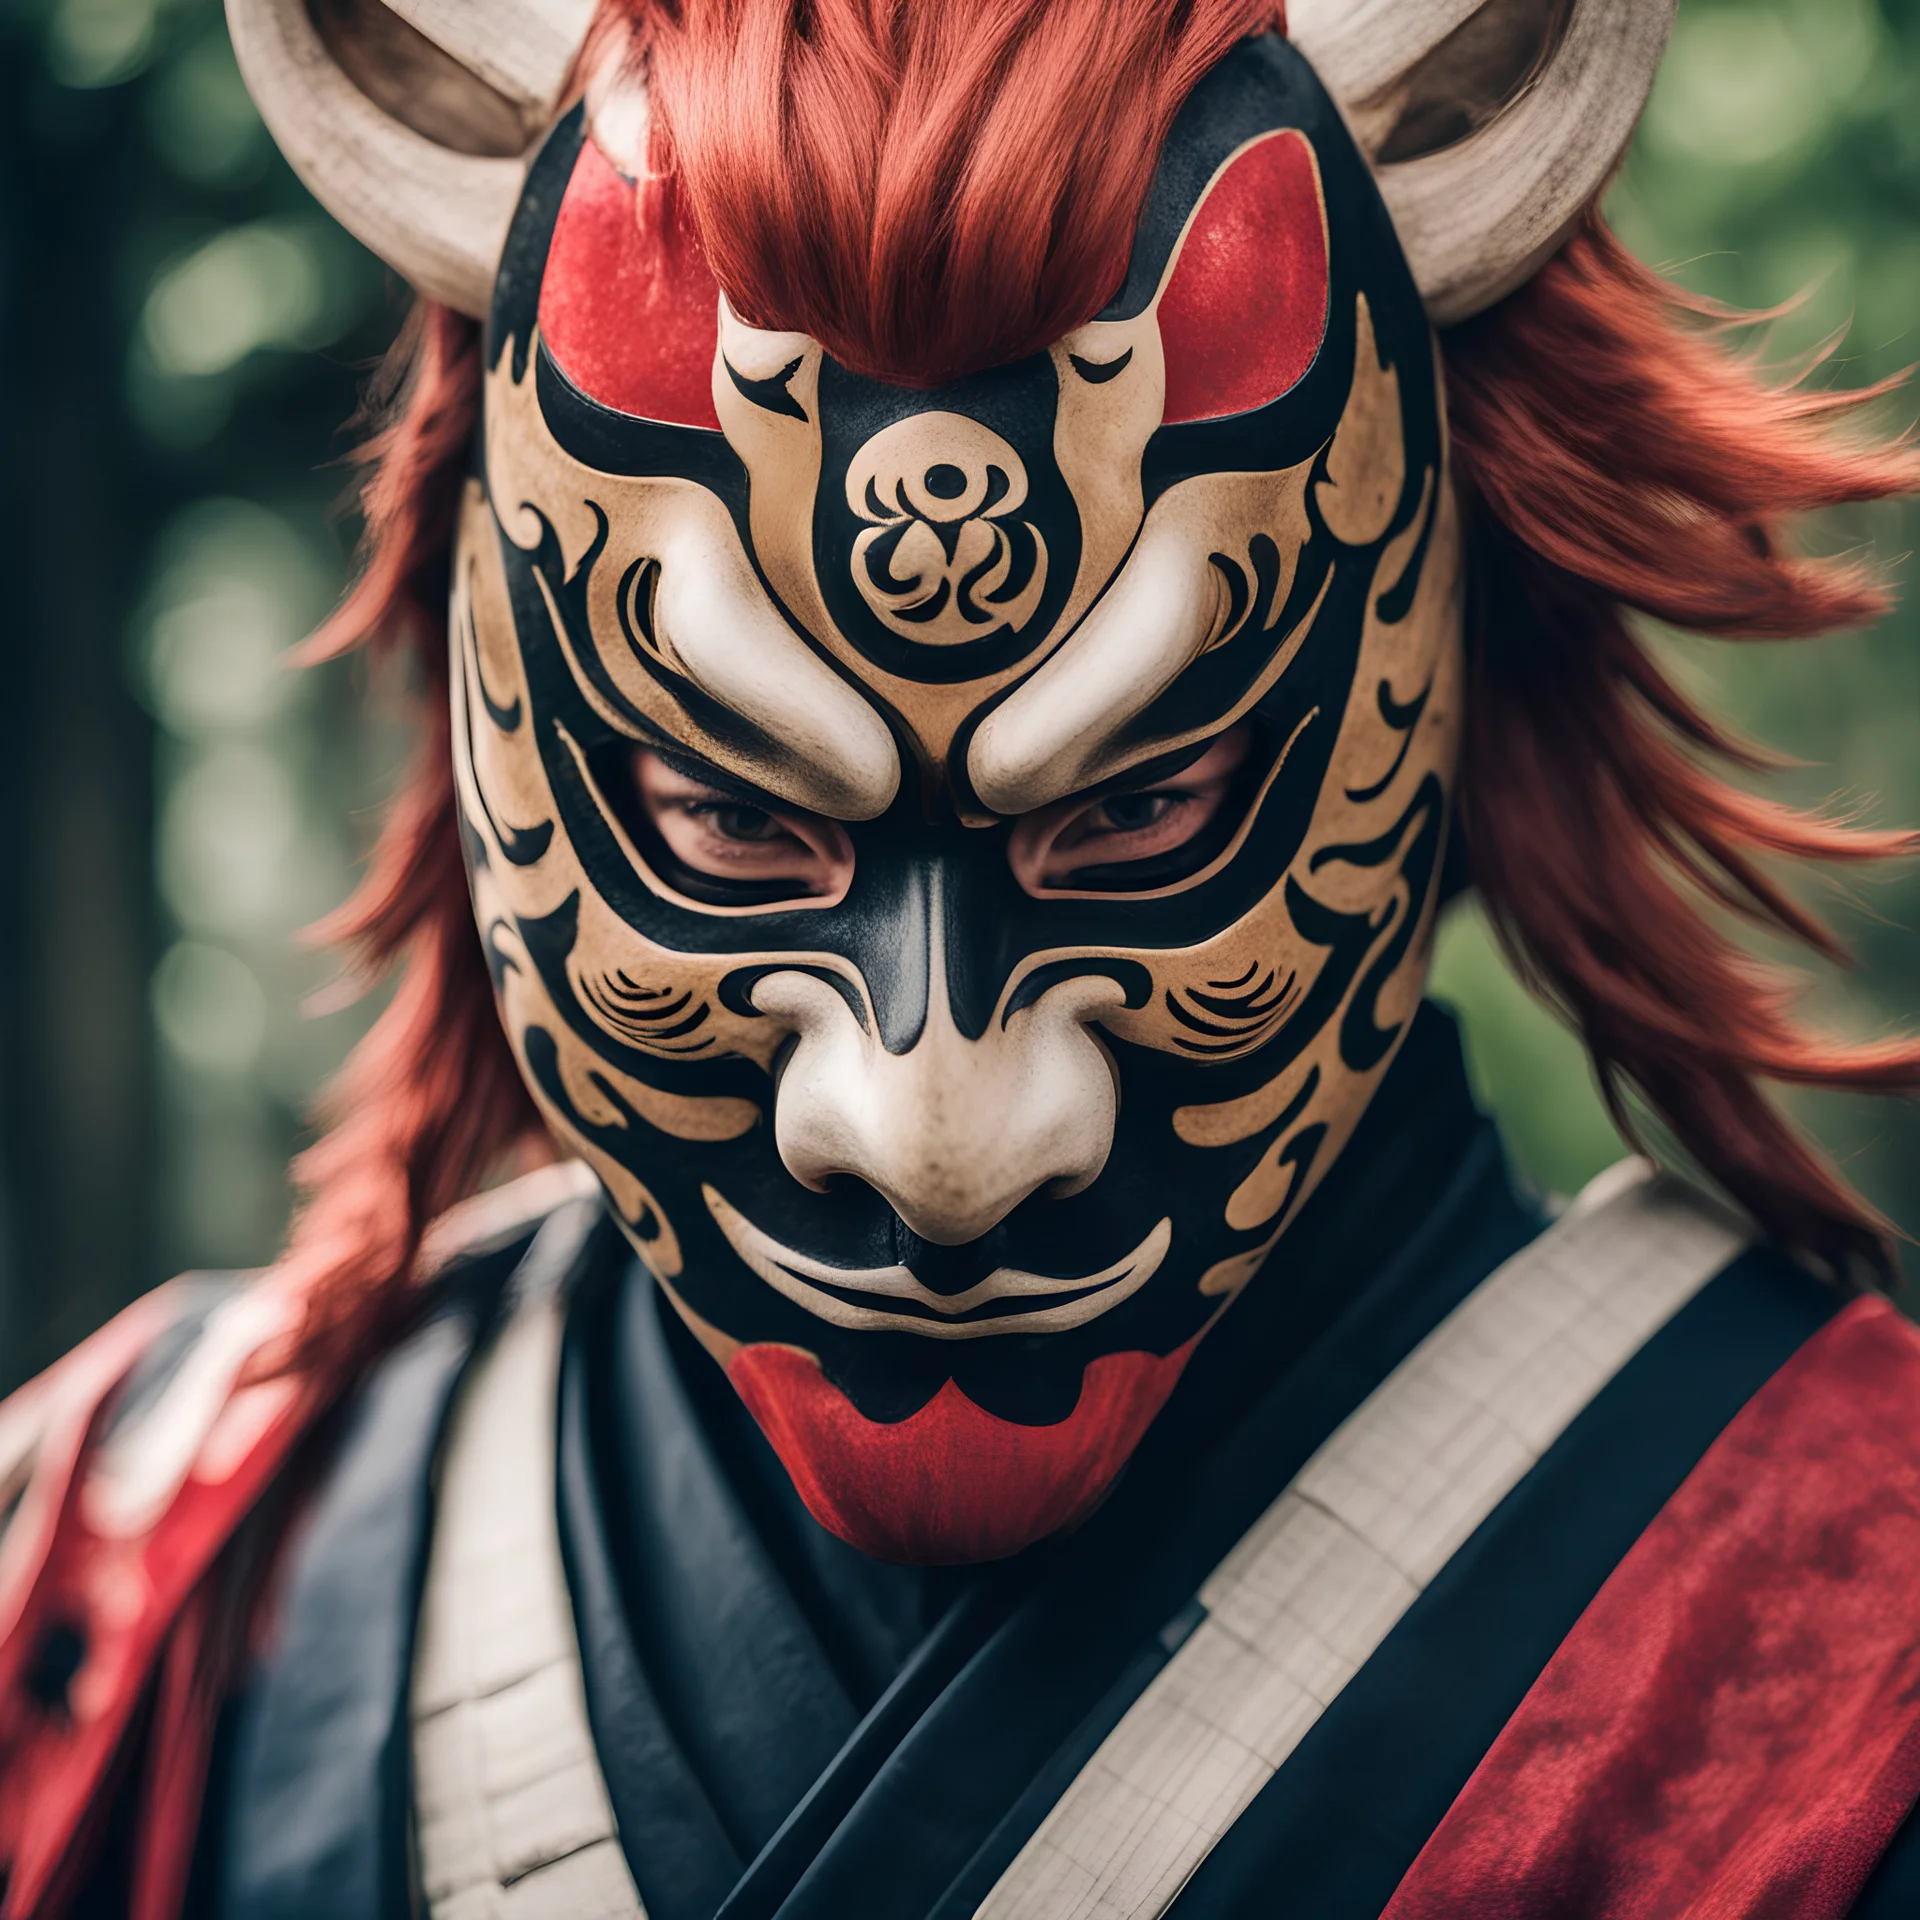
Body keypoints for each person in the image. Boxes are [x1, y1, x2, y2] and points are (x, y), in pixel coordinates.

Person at [6, 1, 1920, 1914]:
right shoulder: (130, 1577)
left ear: (1456, 661)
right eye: (734, 818)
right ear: (484, 663)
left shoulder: (1859, 1614)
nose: (935, 1137)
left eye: (1148, 810)